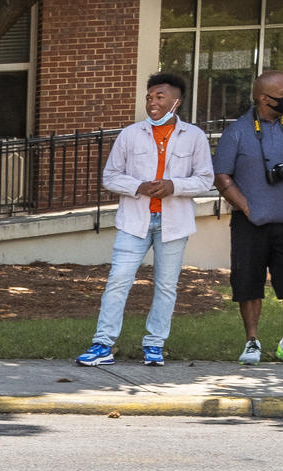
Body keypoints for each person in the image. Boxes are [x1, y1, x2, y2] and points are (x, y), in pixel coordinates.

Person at [75, 73, 213, 367]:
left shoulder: (195, 136)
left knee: (166, 285)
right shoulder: (131, 133)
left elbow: (205, 179)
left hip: (173, 222)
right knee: (118, 280)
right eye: (149, 97)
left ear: (176, 101)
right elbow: (110, 176)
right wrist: (138, 186)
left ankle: (154, 344)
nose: (152, 102)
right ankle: (102, 344)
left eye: (160, 97)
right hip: (135, 220)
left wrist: (174, 186)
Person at [213, 70, 283, 366]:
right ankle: (252, 342)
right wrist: (245, 205)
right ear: (264, 98)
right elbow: (221, 175)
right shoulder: (237, 130)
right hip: (250, 223)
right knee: (248, 282)